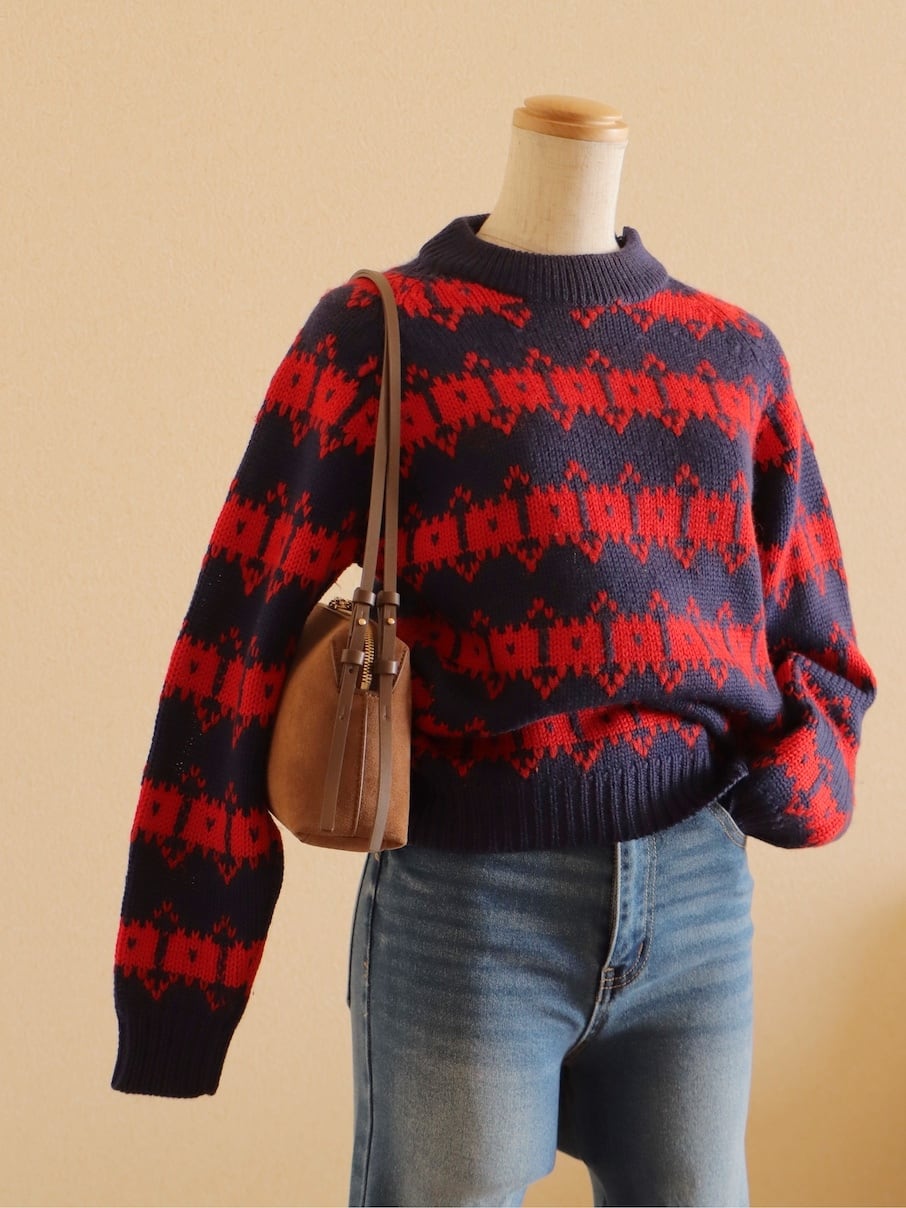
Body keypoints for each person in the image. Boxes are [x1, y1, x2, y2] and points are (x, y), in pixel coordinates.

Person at [111, 96, 877, 1207]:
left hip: (700, 897)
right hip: (470, 908)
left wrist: (792, 786)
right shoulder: (381, 335)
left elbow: (823, 652)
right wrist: (179, 990)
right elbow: (230, 648)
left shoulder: (734, 356)